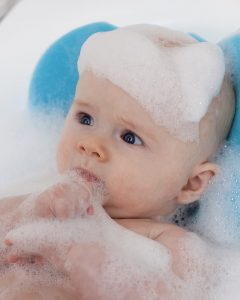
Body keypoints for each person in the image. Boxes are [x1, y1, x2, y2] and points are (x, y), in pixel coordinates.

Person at [0, 24, 236, 299]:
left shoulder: (172, 243)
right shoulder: (49, 198)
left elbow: (160, 294)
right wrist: (33, 212)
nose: (91, 145)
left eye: (129, 137)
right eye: (85, 119)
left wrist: (78, 256)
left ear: (191, 184)